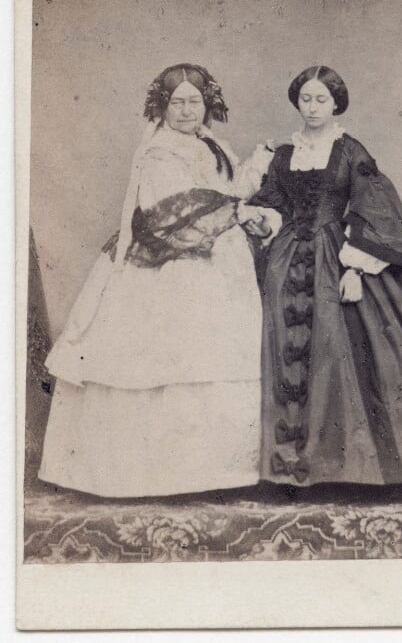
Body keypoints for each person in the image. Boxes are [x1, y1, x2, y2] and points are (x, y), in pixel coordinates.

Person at [247, 65, 402, 487]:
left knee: (338, 352)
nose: (313, 107)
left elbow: (375, 208)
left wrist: (354, 267)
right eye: (306, 99)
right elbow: (273, 203)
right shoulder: (283, 155)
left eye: (322, 100)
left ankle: (340, 467)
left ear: (336, 104)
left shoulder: (350, 151)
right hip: (286, 262)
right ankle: (285, 467)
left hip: (336, 257)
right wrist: (264, 221)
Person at [39, 63, 271, 497]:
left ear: (207, 105)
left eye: (194, 102)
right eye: (176, 103)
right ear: (162, 106)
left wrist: (257, 168)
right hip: (171, 262)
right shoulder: (159, 152)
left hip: (221, 259)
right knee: (169, 356)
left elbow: (228, 190)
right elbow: (173, 211)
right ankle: (158, 476)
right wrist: (238, 211)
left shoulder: (211, 142)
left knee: (219, 353)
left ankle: (217, 473)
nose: (186, 111)